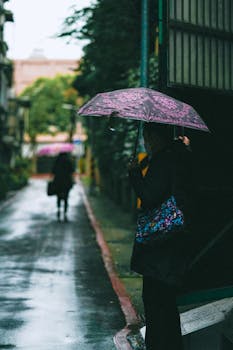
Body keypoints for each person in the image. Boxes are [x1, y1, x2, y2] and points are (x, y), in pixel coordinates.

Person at [128, 123, 192, 350]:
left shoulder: (163, 160)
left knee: (156, 303)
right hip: (172, 240)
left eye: (146, 136)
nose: (145, 141)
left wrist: (135, 174)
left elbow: (149, 197)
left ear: (155, 137)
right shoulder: (177, 156)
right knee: (165, 304)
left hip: (160, 243)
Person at [52, 152, 74, 222]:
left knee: (58, 197)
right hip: (66, 182)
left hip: (58, 182)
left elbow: (53, 171)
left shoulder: (57, 161)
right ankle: (65, 212)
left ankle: (58, 209)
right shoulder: (68, 161)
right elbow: (72, 171)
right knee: (66, 198)